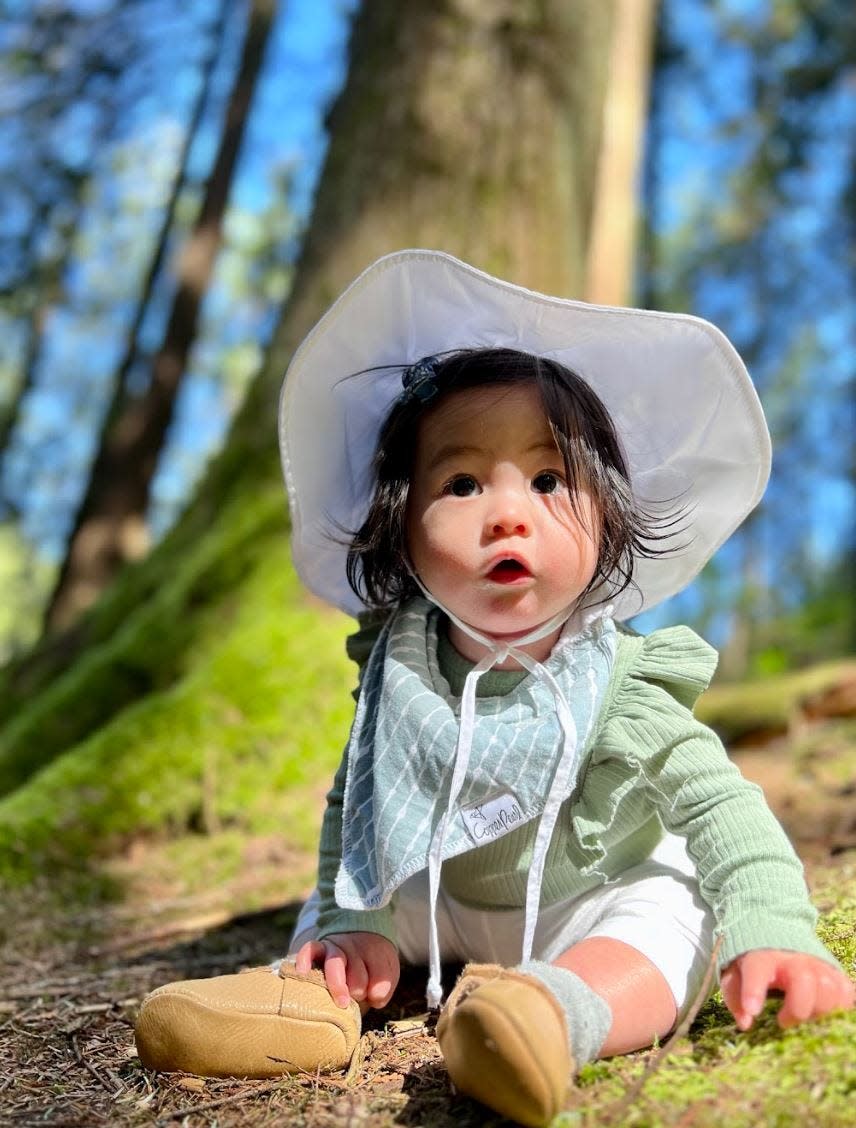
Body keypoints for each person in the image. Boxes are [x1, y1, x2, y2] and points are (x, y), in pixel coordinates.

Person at [135, 251, 854, 1127]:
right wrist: (354, 915)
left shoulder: (620, 679)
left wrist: (775, 925)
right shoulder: (399, 669)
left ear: (610, 522)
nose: (507, 513)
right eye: (462, 482)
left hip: (585, 898)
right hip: (432, 900)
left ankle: (551, 1014)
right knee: (351, 895)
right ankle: (311, 1003)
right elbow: (354, 801)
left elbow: (721, 808)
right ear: (401, 528)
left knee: (673, 905)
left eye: (549, 480)